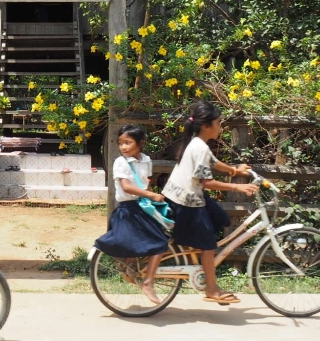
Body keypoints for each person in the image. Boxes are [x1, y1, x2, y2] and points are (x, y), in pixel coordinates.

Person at [162, 100, 258, 304]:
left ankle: (193, 249)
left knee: (219, 217)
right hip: (186, 201)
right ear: (206, 126)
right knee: (208, 244)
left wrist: (234, 170)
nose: (220, 127)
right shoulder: (199, 148)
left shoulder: (197, 143)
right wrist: (237, 186)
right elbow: (207, 182)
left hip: (186, 195)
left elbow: (212, 162)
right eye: (218, 123)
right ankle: (212, 289)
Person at [94, 124, 170, 304]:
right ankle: (148, 282)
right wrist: (151, 195)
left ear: (140, 143)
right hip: (127, 209)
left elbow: (146, 183)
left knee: (156, 239)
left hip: (142, 207)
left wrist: (151, 198)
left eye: (128, 143)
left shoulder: (146, 160)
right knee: (159, 242)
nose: (123, 147)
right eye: (120, 143)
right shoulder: (120, 162)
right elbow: (127, 187)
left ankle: (131, 269)